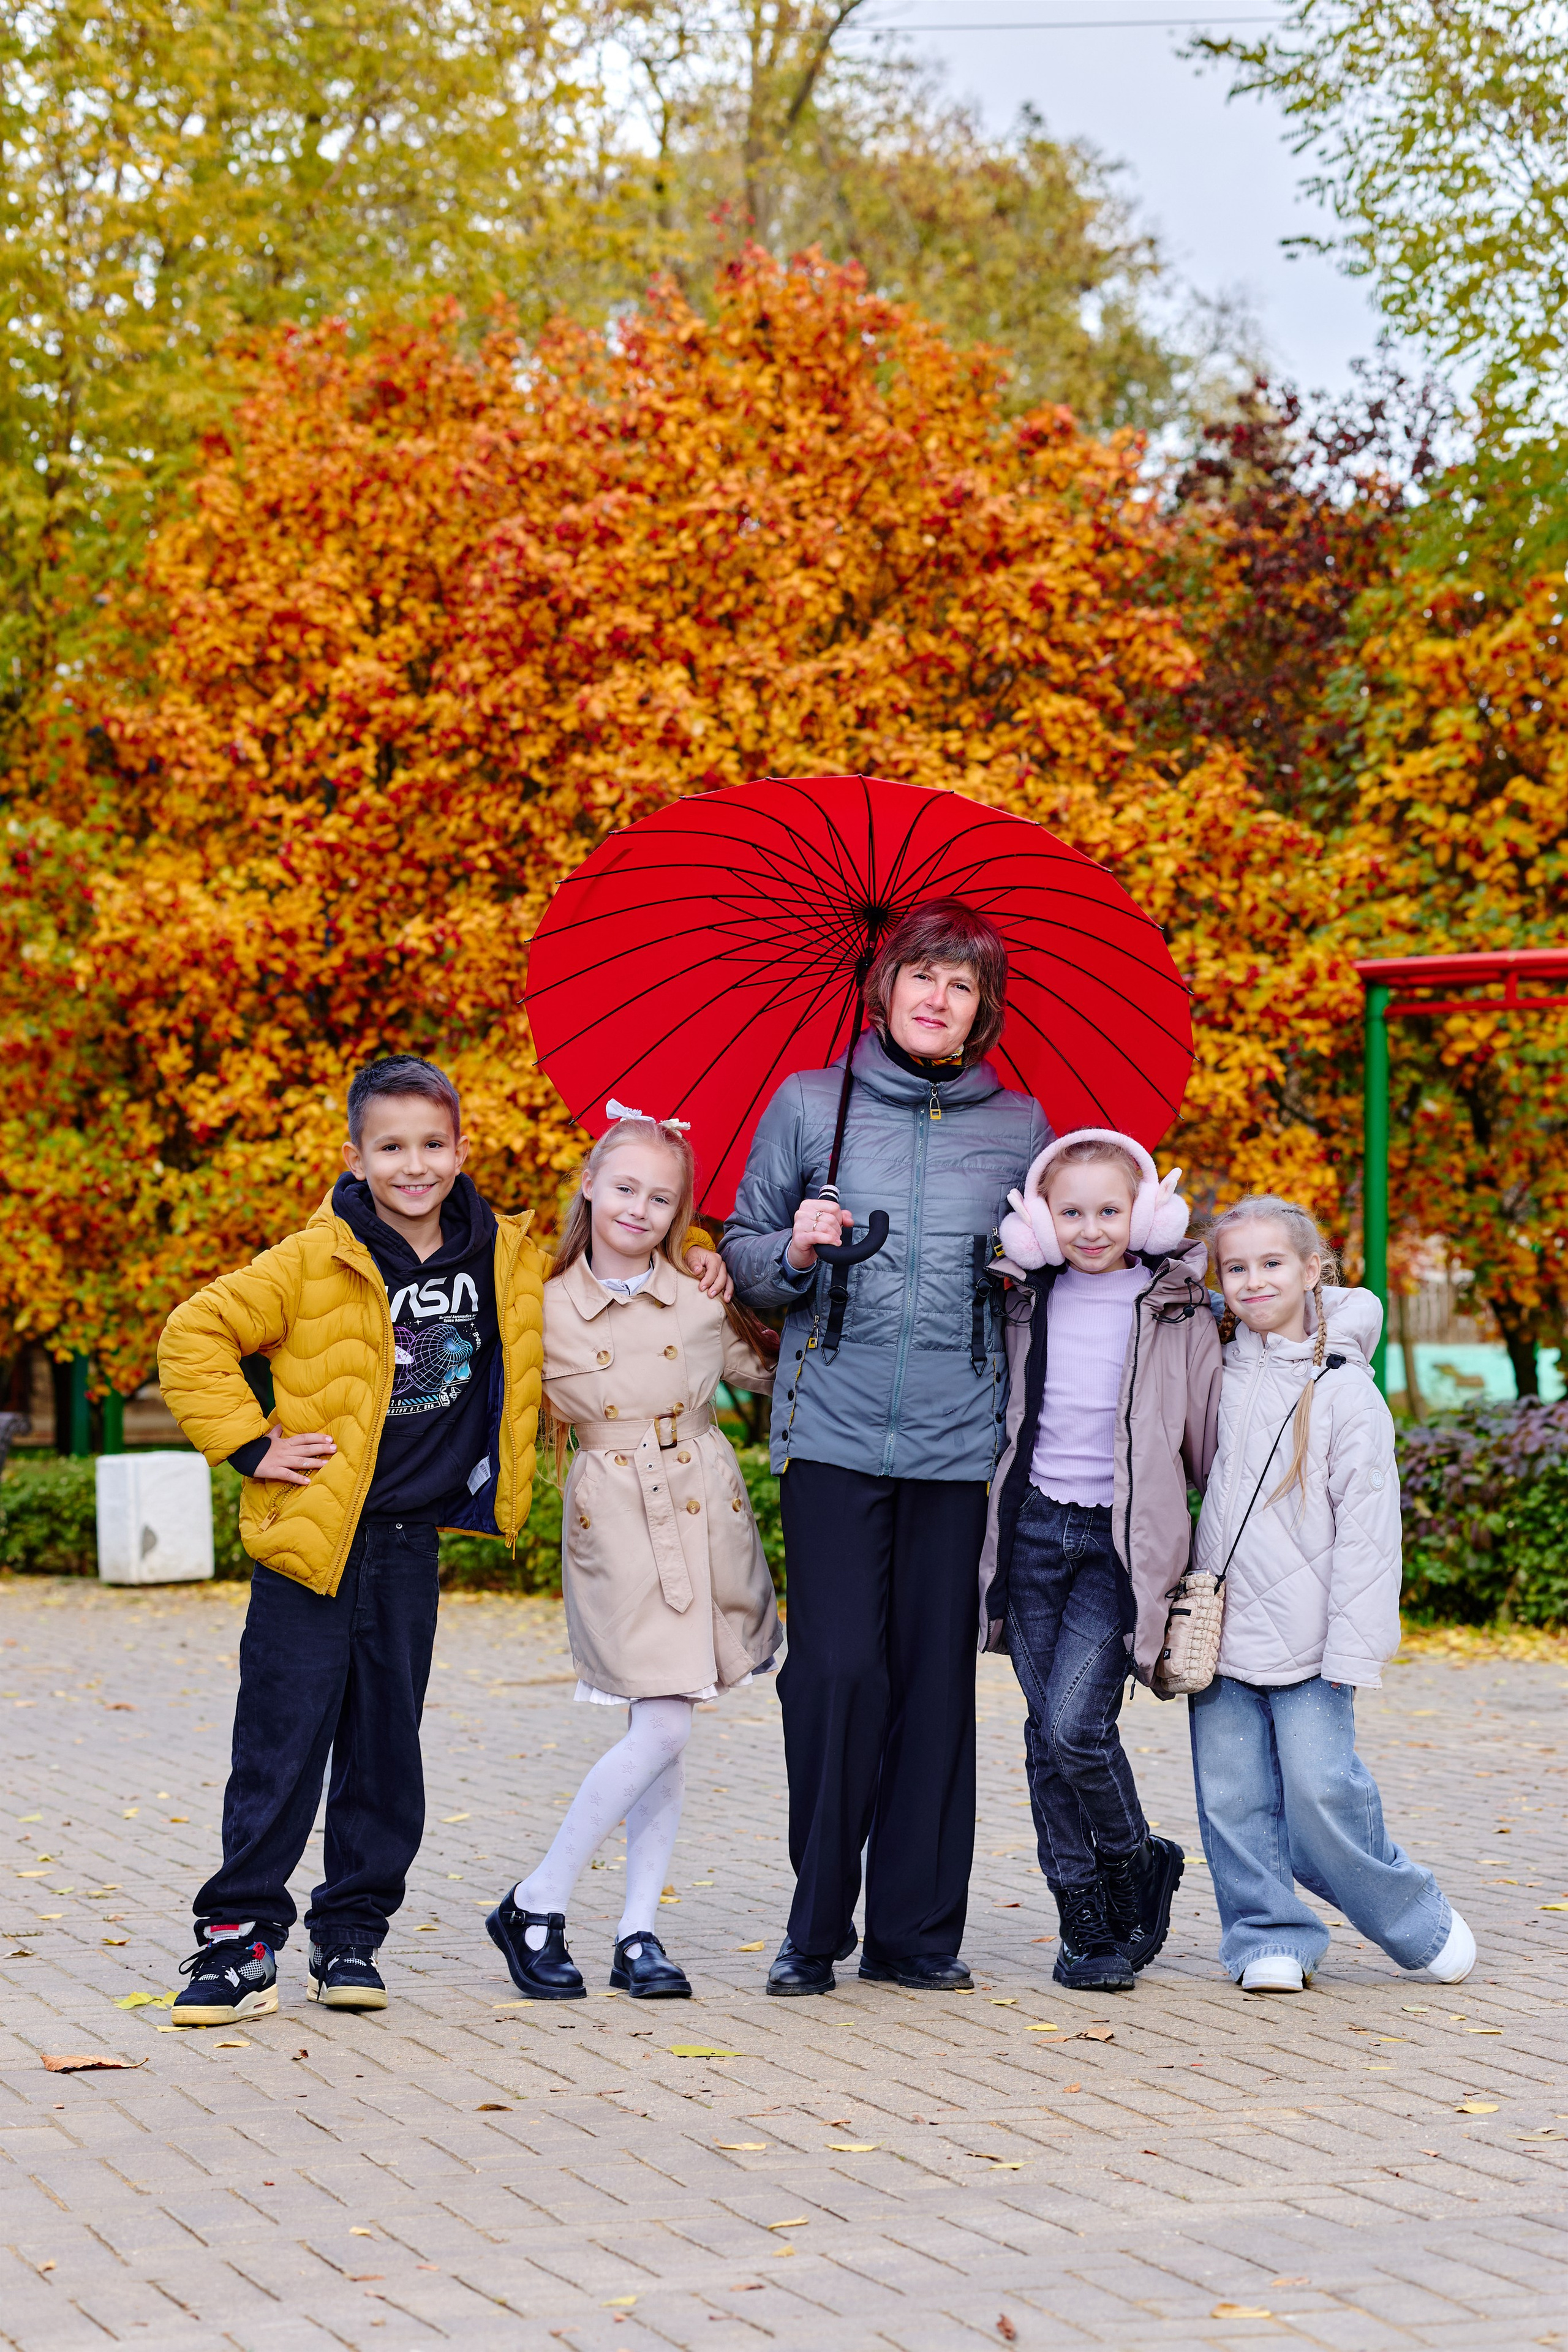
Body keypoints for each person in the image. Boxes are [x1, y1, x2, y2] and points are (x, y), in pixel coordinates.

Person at [156, 1055, 731, 2026]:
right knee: (281, 1744)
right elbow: (192, 1335)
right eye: (392, 1148)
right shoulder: (311, 1259)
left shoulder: (503, 1256)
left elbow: (619, 1254)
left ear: (462, 1149)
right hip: (312, 1545)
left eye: (432, 1145)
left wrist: (703, 1247)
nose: (414, 1165)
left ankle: (350, 1937)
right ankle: (240, 1940)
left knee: (386, 1749)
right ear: (357, 1155)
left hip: (407, 1545)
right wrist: (252, 1445)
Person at [723, 900, 1049, 1996]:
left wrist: (1025, 1273)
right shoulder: (812, 1104)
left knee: (933, 1686)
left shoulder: (1023, 1127)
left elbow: (1054, 1276)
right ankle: (814, 1927)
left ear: (981, 1011)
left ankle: (914, 1934)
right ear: (883, 987)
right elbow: (747, 1256)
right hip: (833, 1430)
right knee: (835, 1673)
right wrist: (795, 1247)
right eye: (920, 976)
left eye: (960, 986)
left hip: (960, 1445)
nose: (936, 998)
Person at [486, 1111, 780, 2000]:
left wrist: (751, 1284)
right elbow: (496, 1408)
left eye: (662, 1198)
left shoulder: (697, 1296)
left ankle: (638, 1930)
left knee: (664, 1728)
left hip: (702, 1509)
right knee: (662, 1722)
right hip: (614, 1522)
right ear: (588, 1185)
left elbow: (772, 1367)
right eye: (624, 1188)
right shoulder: (539, 1307)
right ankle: (536, 1901)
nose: (640, 1209)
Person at [1189, 1194, 1474, 1994]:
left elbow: (1370, 1535)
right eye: (1235, 1267)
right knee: (1234, 1799)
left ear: (1315, 1270)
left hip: (1315, 1640)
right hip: (1219, 1631)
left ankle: (1413, 1915)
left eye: (1272, 1263)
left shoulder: (1347, 1393)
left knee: (1322, 1792)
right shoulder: (1213, 1367)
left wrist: (1354, 1648)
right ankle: (1267, 1936)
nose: (1251, 1281)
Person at [979, 1130, 1221, 1992]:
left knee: (1078, 1727)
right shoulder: (1016, 1298)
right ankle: (1083, 1919)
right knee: (1047, 1738)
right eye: (1069, 1212)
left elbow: (1207, 1438)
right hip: (1035, 1533)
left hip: (1120, 1544)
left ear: (1146, 1213)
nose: (1090, 1228)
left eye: (1109, 1210)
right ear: (1037, 1223)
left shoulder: (1179, 1307)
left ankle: (1129, 1861)